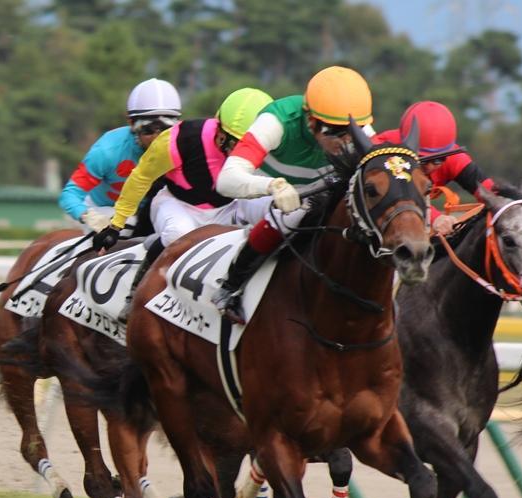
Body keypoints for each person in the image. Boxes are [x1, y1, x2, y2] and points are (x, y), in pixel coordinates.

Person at [90, 87, 275, 320]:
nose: (238, 153)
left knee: (281, 212)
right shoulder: (180, 138)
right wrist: (115, 225)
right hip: (179, 205)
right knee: (179, 234)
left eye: (247, 145)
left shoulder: (276, 143)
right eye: (232, 143)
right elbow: (141, 177)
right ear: (219, 126)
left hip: (233, 204)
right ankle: (135, 295)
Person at [211, 66, 376, 324]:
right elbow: (226, 180)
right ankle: (230, 286)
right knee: (297, 213)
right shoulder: (276, 121)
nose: (347, 141)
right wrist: (273, 187)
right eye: (335, 132)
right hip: (263, 195)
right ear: (310, 120)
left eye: (354, 130)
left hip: (317, 194)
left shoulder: (359, 133)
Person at [59, 78, 182, 234]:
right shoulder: (107, 151)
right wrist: (89, 217)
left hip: (152, 211)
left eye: (165, 129)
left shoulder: (185, 146)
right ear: (131, 124)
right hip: (106, 210)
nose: (157, 138)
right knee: (125, 227)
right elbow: (70, 195)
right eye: (148, 129)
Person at [374, 100, 493, 237]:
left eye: (438, 160)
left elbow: (491, 192)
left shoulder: (454, 157)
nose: (430, 167)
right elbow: (399, 199)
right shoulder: (384, 151)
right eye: (421, 159)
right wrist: (435, 218)